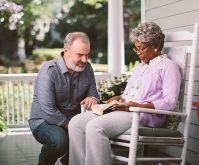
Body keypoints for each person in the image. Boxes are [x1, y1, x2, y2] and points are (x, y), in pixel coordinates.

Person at [68, 22, 181, 165]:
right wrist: (119, 98)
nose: (138, 52)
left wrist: (135, 105)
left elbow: (170, 102)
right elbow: (129, 94)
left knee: (95, 127)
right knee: (76, 123)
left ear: (156, 46)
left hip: (143, 115)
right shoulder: (140, 67)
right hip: (124, 110)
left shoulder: (169, 67)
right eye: (136, 49)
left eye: (142, 48)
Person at [28, 32, 99, 165]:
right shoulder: (49, 70)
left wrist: (92, 98)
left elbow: (95, 95)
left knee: (92, 137)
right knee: (60, 141)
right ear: (66, 51)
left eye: (87, 55)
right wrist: (73, 126)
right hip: (44, 121)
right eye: (80, 55)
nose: (85, 60)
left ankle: (69, 160)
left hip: (73, 122)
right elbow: (48, 110)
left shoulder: (88, 69)